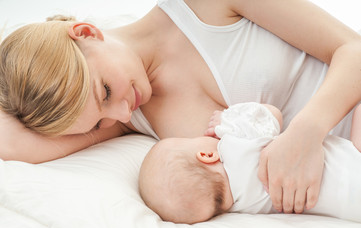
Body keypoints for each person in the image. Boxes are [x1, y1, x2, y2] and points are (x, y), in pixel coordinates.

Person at [1, 0, 361, 214]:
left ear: (86, 32)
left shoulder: (206, 7)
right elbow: (11, 143)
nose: (121, 114)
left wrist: (306, 132)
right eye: (98, 125)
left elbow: (353, 49)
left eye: (106, 91)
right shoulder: (129, 117)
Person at [138, 102, 361, 224]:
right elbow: (273, 115)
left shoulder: (246, 208)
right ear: (206, 155)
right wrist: (227, 119)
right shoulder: (235, 142)